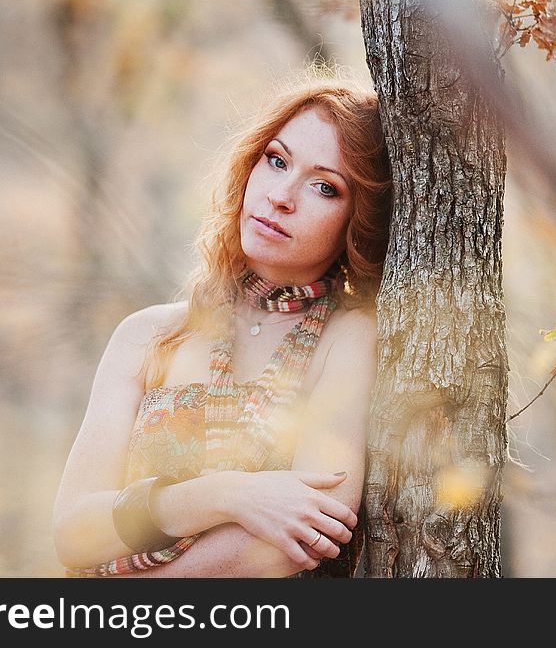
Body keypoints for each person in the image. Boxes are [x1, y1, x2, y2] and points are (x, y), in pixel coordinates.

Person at [52, 73, 393, 577]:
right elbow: (74, 534)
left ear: (358, 222)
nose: (281, 195)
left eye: (325, 187)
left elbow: (309, 531)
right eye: (276, 160)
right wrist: (227, 494)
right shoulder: (147, 336)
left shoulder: (348, 338)